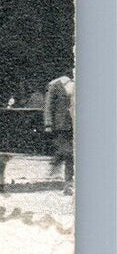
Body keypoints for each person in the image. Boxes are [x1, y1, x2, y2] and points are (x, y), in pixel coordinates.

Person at [43, 65, 74, 194]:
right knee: (67, 151)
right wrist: (48, 124)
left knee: (71, 155)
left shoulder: (75, 84)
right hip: (59, 125)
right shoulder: (54, 85)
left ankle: (68, 183)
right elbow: (48, 106)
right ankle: (55, 163)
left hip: (73, 123)